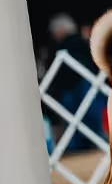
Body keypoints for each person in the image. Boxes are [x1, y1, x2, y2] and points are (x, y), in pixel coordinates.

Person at [44, 13, 105, 152]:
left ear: (60, 30)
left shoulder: (60, 47)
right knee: (91, 119)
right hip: (89, 83)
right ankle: (96, 144)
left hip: (75, 87)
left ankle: (77, 149)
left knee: (74, 120)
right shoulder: (84, 40)